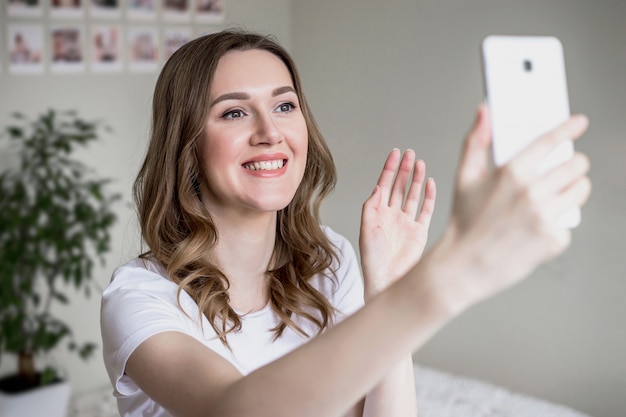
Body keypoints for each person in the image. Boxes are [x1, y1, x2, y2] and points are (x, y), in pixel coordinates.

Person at [100, 30, 591, 417]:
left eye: (285, 105)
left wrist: (387, 290)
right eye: (234, 113)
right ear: (186, 145)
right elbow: (237, 409)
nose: (270, 132)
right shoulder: (140, 298)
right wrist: (446, 277)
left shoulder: (328, 261)